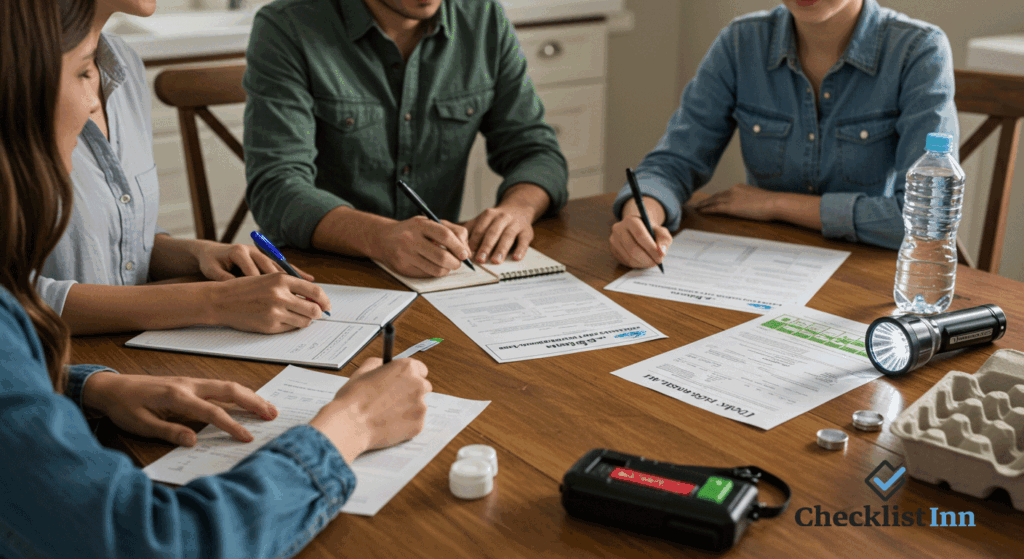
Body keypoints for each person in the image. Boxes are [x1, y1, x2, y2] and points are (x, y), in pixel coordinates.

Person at [0, 2, 431, 556]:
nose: (92, 103)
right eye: (84, 71)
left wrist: (89, 386)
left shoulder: (121, 68)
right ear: (18, 91)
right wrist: (353, 425)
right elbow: (166, 542)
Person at [36, 0, 333, 336]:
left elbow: (115, 246)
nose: (91, 102)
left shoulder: (124, 64)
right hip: (52, 363)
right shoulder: (18, 78)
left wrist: (195, 253)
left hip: (127, 353)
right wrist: (214, 301)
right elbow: (16, 299)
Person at [609, 0, 958, 269]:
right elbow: (672, 164)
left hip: (870, 276)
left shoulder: (919, 49)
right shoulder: (741, 41)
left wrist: (774, 204)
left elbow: (926, 221)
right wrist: (640, 220)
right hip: (758, 268)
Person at [243, 0, 569, 278]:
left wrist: (517, 210)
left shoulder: (482, 17)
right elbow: (277, 187)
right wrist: (380, 236)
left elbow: (535, 149)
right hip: (324, 274)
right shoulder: (289, 26)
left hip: (437, 274)